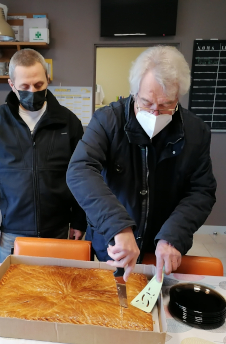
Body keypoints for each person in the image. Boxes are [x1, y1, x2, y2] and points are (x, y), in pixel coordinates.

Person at [66, 46, 216, 280]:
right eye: (146, 103)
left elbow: (201, 190)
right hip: (113, 241)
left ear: (179, 96)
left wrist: (173, 235)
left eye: (166, 105)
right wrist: (118, 226)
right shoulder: (107, 120)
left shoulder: (196, 131)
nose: (155, 114)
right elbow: (80, 170)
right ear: (133, 92)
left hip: (163, 246)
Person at [0, 49, 87, 262]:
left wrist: (79, 220)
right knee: (15, 292)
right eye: (24, 87)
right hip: (13, 231)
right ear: (11, 84)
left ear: (48, 79)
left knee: (57, 290)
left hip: (59, 229)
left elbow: (81, 174)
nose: (32, 91)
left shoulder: (69, 122)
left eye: (38, 85)